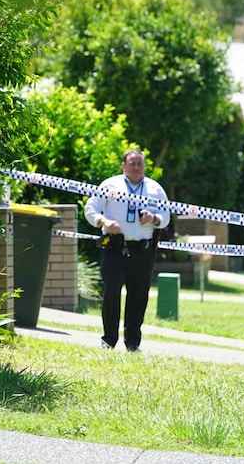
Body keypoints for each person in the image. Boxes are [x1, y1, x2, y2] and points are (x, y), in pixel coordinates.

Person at [84, 149, 171, 352]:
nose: (136, 167)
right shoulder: (109, 185)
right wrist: (104, 221)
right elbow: (91, 209)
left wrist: (154, 218)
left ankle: (133, 342)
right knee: (112, 290)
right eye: (132, 163)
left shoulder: (155, 189)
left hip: (143, 250)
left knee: (138, 296)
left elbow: (165, 216)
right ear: (123, 165)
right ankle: (108, 339)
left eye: (139, 163)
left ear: (144, 166)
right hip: (115, 247)